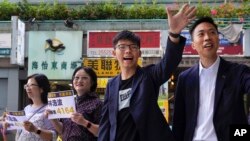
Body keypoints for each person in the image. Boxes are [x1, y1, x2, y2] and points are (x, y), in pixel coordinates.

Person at [98, 4, 196, 141]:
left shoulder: (149, 76)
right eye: (122, 47)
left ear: (139, 53)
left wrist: (174, 33)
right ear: (114, 53)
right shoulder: (111, 84)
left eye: (133, 47)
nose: (128, 51)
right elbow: (106, 122)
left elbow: (169, 62)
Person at [172, 16, 250, 141]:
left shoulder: (237, 72)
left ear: (218, 39)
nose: (207, 37)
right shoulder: (185, 78)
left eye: (212, 32)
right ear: (193, 45)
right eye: (201, 34)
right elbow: (179, 123)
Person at [47, 66, 103, 141]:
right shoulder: (67, 101)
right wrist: (52, 117)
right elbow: (61, 130)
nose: (79, 80)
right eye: (76, 78)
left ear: (92, 82)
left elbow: (103, 131)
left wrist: (84, 122)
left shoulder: (98, 103)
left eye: (84, 78)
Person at [2, 73, 57, 141]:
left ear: (41, 89)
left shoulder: (48, 109)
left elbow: (53, 136)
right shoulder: (27, 108)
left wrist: (35, 129)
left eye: (31, 85)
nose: (28, 88)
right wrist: (9, 126)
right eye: (27, 86)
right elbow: (24, 132)